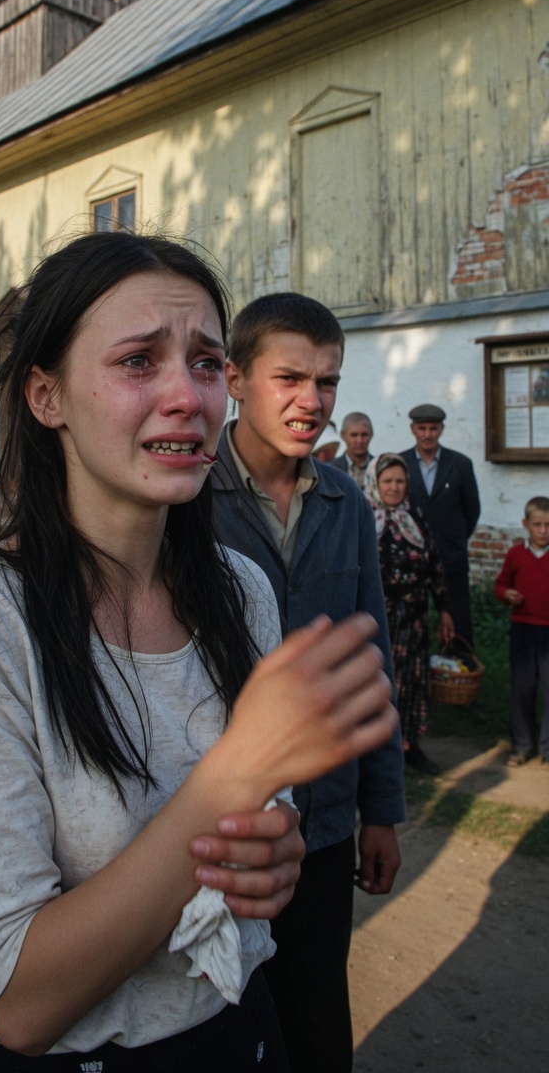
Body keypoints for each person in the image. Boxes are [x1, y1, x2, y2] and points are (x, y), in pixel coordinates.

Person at [0, 234, 396, 1073]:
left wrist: (275, 856)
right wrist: (236, 772)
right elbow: (18, 1003)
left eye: (205, 363)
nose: (188, 396)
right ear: (46, 395)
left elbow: (259, 834)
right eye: (137, 361)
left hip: (240, 1033)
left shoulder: (241, 592)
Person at [211, 292, 405, 1073]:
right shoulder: (186, 498)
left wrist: (380, 811)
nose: (312, 401)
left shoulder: (345, 502)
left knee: (318, 1021)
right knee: (223, 1025)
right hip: (218, 823)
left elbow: (371, 659)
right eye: (289, 378)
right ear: (234, 379)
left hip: (324, 824)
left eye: (327, 382)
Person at [366, 454, 454, 777]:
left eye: (400, 481)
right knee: (380, 683)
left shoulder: (415, 518)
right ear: (375, 484)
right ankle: (377, 750)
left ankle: (409, 746)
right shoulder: (364, 519)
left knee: (412, 683)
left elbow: (434, 567)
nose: (394, 487)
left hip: (414, 621)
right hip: (379, 622)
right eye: (387, 481)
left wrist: (444, 609)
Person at [400, 404, 480, 648]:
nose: (427, 434)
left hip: (450, 556)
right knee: (412, 621)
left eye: (433, 429)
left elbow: (471, 510)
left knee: (458, 621)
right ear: (412, 429)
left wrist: (454, 539)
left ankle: (460, 664)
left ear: (441, 430)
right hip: (411, 558)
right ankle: (418, 667)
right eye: (422, 428)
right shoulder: (400, 463)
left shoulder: (460, 464)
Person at [494, 495, 549, 768]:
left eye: (548, 525)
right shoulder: (516, 554)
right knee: (522, 689)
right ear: (525, 524)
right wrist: (507, 594)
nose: (543, 531)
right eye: (537, 524)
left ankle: (547, 749)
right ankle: (522, 746)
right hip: (523, 630)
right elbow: (500, 584)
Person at [334, 412, 374, 489]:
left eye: (364, 435)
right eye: (354, 435)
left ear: (371, 435)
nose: (359, 441)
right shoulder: (331, 469)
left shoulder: (381, 467)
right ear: (343, 435)